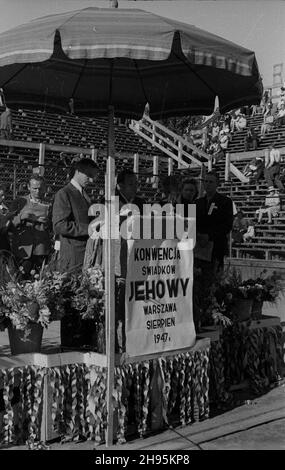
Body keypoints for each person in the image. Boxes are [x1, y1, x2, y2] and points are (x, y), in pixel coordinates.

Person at [52, 158, 98, 273]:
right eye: (89, 175)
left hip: (86, 254)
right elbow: (59, 225)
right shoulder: (64, 193)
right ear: (78, 171)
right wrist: (89, 228)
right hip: (72, 257)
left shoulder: (84, 194)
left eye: (93, 176)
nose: (91, 180)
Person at [9, 175, 52, 276]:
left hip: (41, 249)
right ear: (28, 187)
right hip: (22, 249)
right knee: (19, 280)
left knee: (39, 283)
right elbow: (9, 224)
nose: (37, 191)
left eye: (40, 188)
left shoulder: (50, 204)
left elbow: (55, 225)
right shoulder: (19, 202)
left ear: (45, 188)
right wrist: (21, 217)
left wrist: (48, 222)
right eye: (34, 188)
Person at [196, 171, 233, 273]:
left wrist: (209, 236)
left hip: (216, 247)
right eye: (206, 181)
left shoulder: (225, 201)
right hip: (199, 246)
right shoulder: (198, 202)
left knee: (214, 279)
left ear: (217, 184)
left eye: (211, 182)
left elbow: (227, 225)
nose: (207, 184)